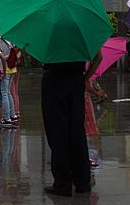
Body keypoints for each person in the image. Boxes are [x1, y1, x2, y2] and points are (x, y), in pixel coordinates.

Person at [41, 50, 102, 196]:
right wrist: (85, 78)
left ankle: (63, 182)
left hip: (54, 80)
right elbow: (99, 57)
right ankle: (83, 182)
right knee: (77, 132)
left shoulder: (50, 36)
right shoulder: (83, 35)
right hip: (76, 79)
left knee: (57, 132)